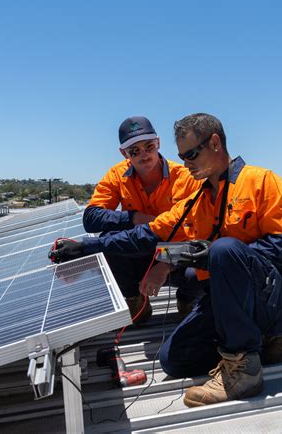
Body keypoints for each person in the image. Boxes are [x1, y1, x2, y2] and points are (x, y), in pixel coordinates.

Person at [50, 113, 282, 408]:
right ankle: (262, 342)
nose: (186, 164)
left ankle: (243, 369)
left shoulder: (261, 182)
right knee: (173, 359)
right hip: (227, 302)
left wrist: (220, 255)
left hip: (277, 302)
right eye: (182, 157)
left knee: (224, 250)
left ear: (214, 143)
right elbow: (147, 235)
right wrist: (86, 246)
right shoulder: (196, 200)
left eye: (191, 154)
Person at [82, 116, 202, 323]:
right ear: (124, 153)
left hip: (176, 253)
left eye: (149, 146)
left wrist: (165, 264)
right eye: (134, 151)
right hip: (139, 250)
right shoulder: (117, 175)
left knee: (202, 268)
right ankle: (135, 300)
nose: (144, 155)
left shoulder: (186, 178)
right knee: (109, 240)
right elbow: (91, 217)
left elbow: (198, 234)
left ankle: (186, 298)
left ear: (158, 143)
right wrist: (136, 217)